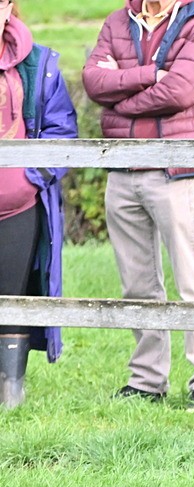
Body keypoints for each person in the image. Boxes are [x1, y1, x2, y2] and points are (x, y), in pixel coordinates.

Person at [81, 0, 194, 408]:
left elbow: (182, 90)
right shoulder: (117, 20)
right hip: (123, 168)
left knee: (191, 277)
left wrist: (120, 102)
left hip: (175, 168)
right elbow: (93, 81)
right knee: (136, 282)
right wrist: (150, 75)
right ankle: (147, 380)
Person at [0, 0, 77, 408]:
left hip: (18, 205)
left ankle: (10, 392)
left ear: (9, 8)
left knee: (13, 293)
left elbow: (62, 131)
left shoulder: (40, 63)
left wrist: (34, 178)